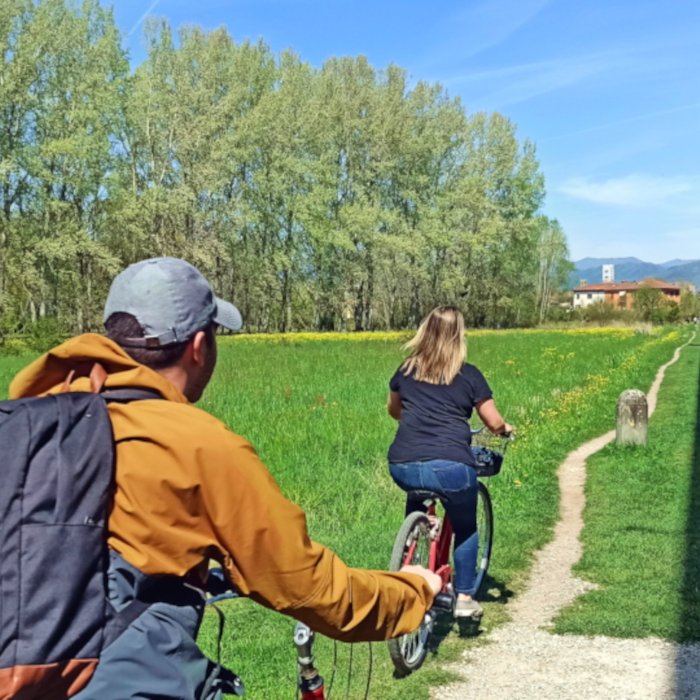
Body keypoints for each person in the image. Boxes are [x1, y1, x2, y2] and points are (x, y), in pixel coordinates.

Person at [8, 257, 441, 700]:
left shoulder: (28, 425)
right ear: (198, 345)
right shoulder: (194, 445)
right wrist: (413, 592)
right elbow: (309, 587)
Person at [386, 306, 512, 621]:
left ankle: (414, 542)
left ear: (425, 331)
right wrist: (504, 429)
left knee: (418, 492)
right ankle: (464, 597)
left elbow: (394, 410)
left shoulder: (406, 370)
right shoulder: (468, 375)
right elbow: (493, 421)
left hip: (402, 462)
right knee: (466, 526)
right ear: (459, 336)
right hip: (451, 466)